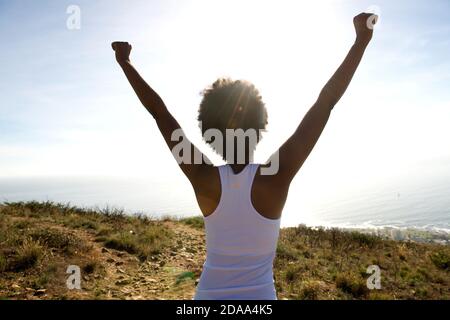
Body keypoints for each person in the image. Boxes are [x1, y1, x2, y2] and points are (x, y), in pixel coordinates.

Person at [112, 12, 377, 300]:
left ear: (208, 131)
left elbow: (159, 113)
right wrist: (361, 41)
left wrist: (125, 63)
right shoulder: (275, 175)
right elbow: (325, 103)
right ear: (260, 125)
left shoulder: (203, 177)